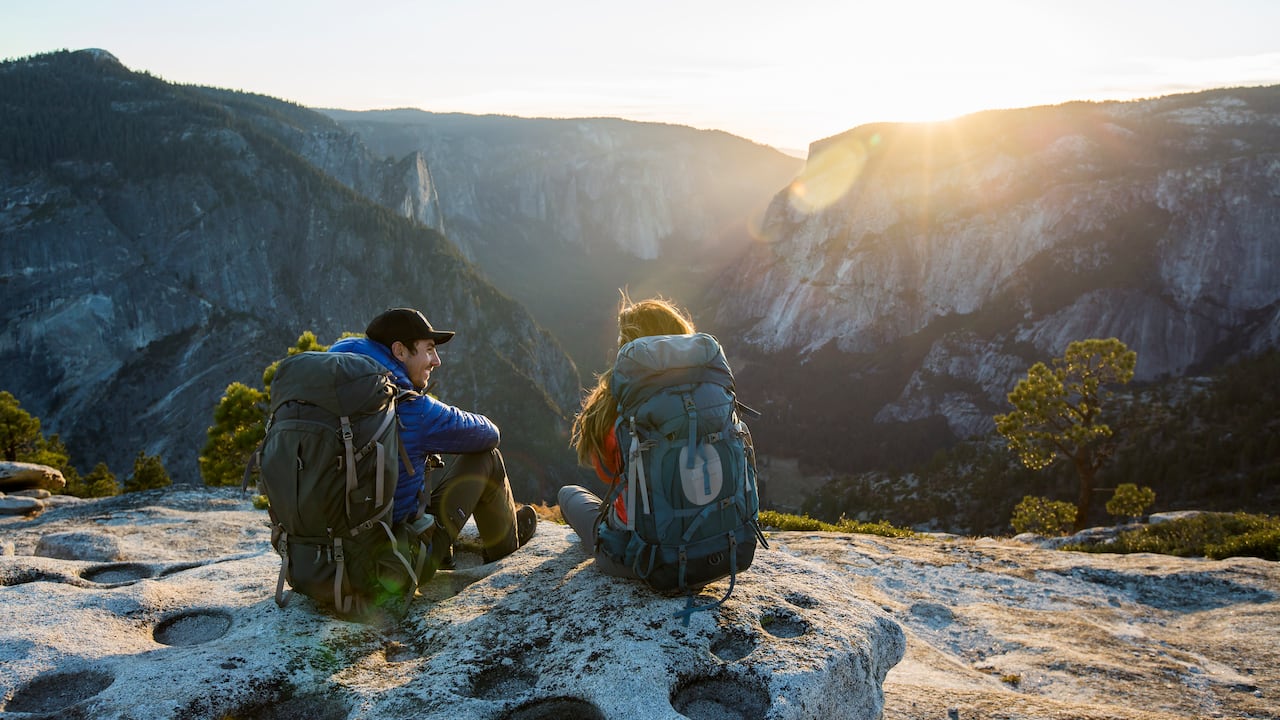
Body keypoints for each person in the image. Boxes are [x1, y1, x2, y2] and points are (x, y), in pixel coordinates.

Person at [329, 307, 537, 570]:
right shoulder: (410, 409)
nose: (437, 360)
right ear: (400, 351)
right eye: (429, 349)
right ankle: (506, 552)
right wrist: (435, 413)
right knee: (488, 458)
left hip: (326, 557)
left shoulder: (330, 396)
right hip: (393, 562)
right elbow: (488, 433)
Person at [559, 296, 696, 578]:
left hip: (643, 557)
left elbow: (607, 472)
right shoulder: (706, 388)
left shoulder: (617, 399)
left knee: (569, 494)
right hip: (716, 544)